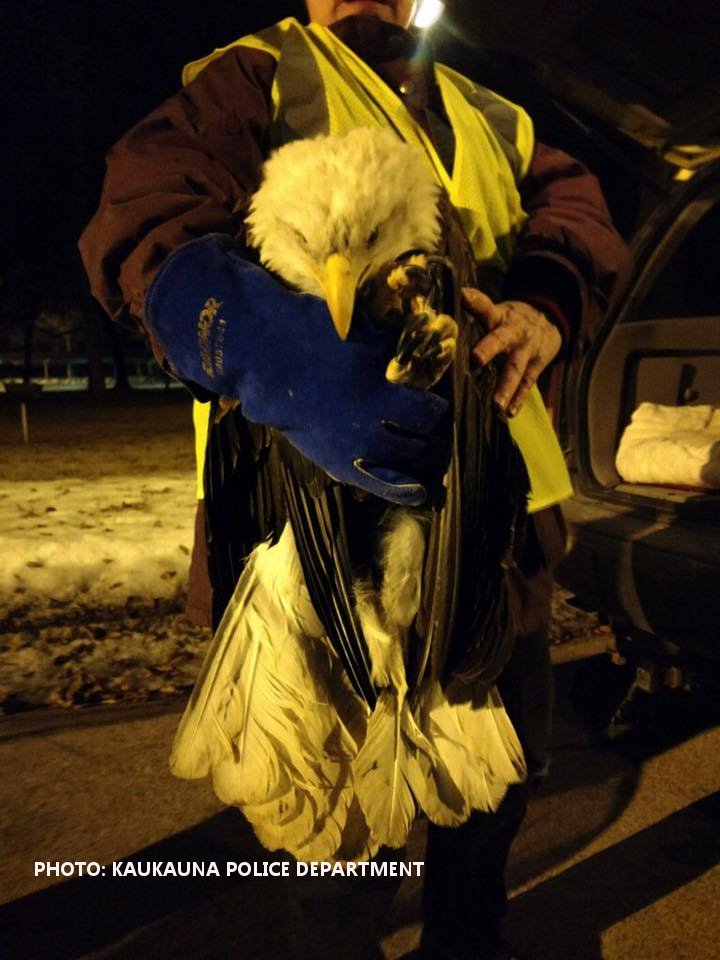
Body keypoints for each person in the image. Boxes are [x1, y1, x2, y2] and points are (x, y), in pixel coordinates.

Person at [79, 2, 632, 957]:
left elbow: (579, 215)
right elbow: (148, 210)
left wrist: (544, 308)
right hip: (301, 534)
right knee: (332, 839)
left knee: (490, 800)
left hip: (499, 539)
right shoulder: (255, 76)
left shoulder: (496, 114)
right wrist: (248, 338)